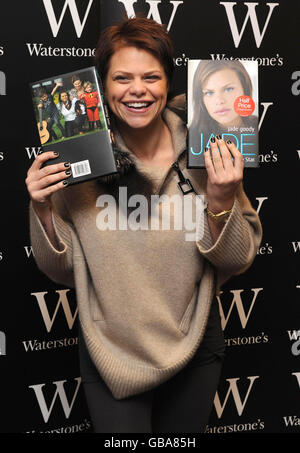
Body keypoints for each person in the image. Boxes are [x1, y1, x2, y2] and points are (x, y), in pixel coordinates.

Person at [26, 17, 262, 433]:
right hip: (111, 349)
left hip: (195, 343)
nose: (138, 89)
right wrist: (42, 209)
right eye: (122, 78)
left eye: (151, 77)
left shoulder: (207, 147)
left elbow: (239, 259)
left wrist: (223, 200)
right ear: (102, 87)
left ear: (167, 83)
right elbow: (61, 270)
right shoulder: (76, 156)